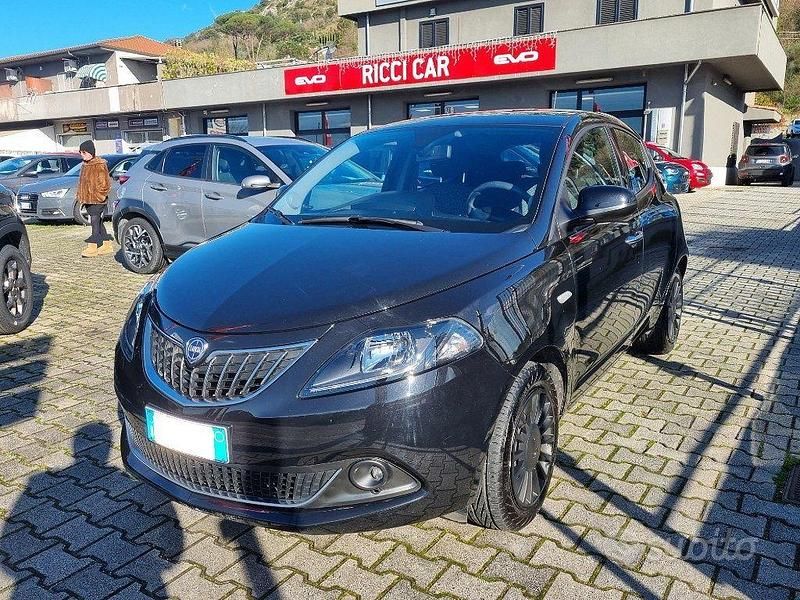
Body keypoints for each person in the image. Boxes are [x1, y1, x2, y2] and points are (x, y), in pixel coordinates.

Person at [76, 140, 113, 258]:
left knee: (94, 221)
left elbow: (105, 184)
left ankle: (93, 247)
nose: (82, 154)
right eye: (80, 152)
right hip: (88, 200)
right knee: (98, 221)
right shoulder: (85, 165)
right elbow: (83, 183)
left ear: (91, 152)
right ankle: (107, 245)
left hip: (97, 200)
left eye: (84, 152)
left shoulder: (99, 164)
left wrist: (99, 196)